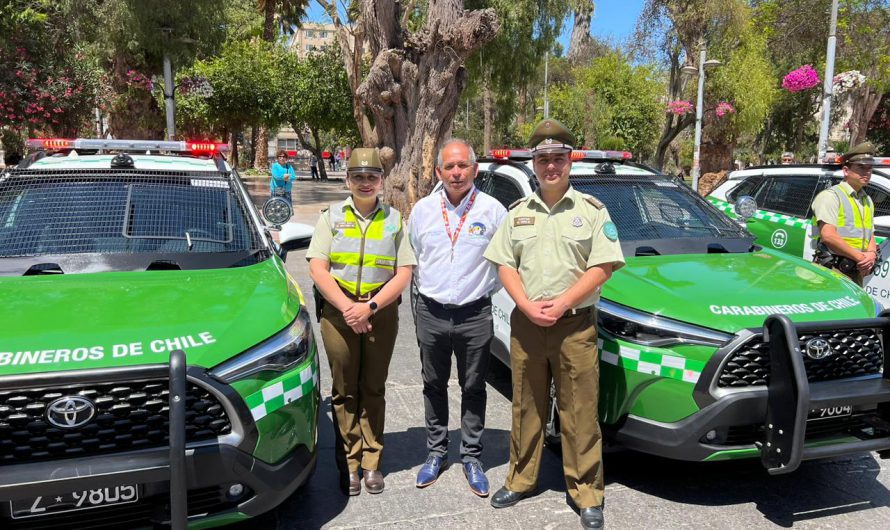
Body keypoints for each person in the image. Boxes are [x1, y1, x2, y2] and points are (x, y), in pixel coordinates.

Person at [483, 119, 625, 530]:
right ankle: (521, 479)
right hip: (527, 323)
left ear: (569, 161)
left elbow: (603, 267)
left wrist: (562, 303)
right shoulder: (517, 213)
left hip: (574, 325)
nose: (550, 166)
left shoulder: (592, 211)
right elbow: (503, 263)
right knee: (525, 405)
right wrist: (526, 304)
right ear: (533, 163)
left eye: (558, 159)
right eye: (543, 159)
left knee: (579, 410)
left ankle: (587, 494)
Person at [307, 148, 416, 496]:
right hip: (338, 316)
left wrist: (367, 308)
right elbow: (317, 268)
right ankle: (349, 462)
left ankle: (372, 461)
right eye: (358, 177)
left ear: (381, 181)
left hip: (379, 312)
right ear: (347, 179)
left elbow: (404, 272)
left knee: (374, 388)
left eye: (372, 177)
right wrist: (347, 308)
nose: (365, 183)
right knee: (344, 390)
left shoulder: (395, 220)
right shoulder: (331, 217)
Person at [408, 138, 507, 496]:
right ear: (438, 171)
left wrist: (481, 293)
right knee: (433, 385)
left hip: (475, 314)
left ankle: (472, 456)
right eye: (449, 167)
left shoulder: (494, 211)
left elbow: (505, 263)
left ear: (474, 169)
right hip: (431, 312)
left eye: (462, 165)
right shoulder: (422, 211)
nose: (456, 173)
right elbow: (414, 259)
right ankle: (435, 453)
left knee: (474, 386)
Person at [811, 141, 877, 286]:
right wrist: (861, 257)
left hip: (856, 271)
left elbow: (870, 233)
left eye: (869, 168)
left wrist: (871, 255)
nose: (866, 172)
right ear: (846, 171)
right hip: (833, 270)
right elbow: (828, 236)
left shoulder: (867, 200)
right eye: (861, 167)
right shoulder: (831, 196)